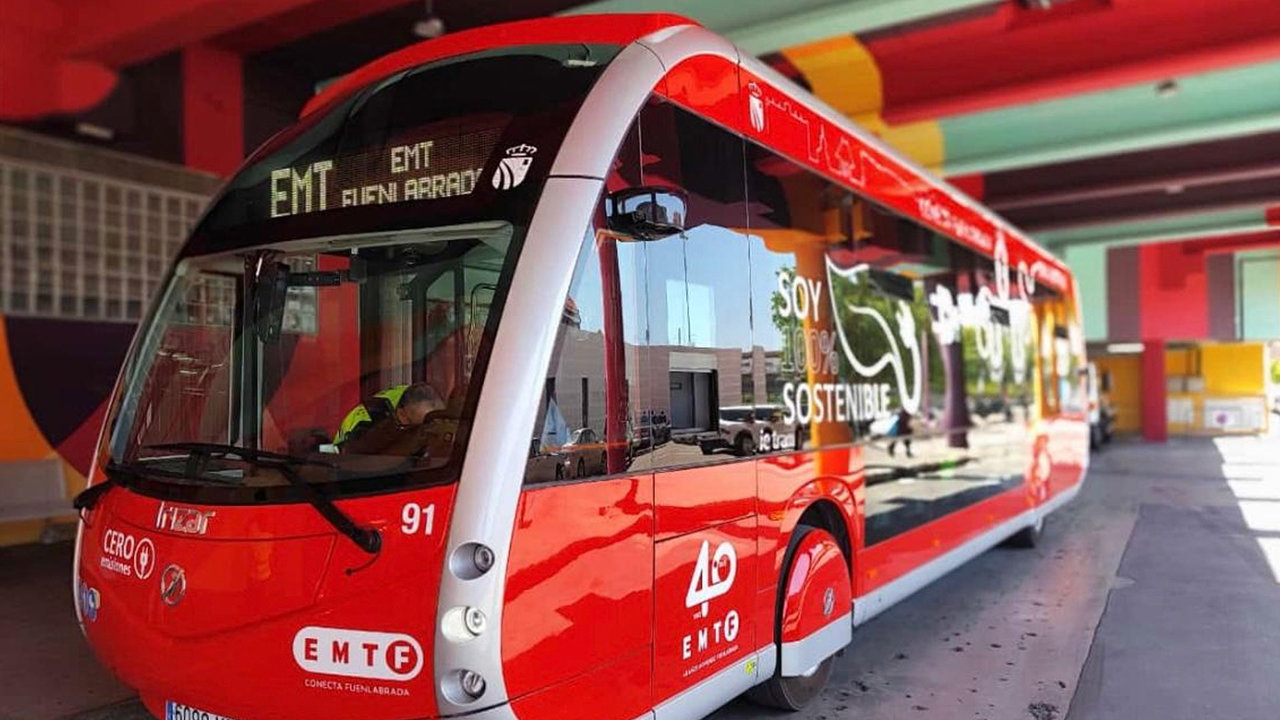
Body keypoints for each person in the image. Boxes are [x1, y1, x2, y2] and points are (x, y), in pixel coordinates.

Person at [333, 382, 444, 445]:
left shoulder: (417, 395)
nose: (426, 435)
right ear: (402, 416)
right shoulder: (369, 425)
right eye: (420, 428)